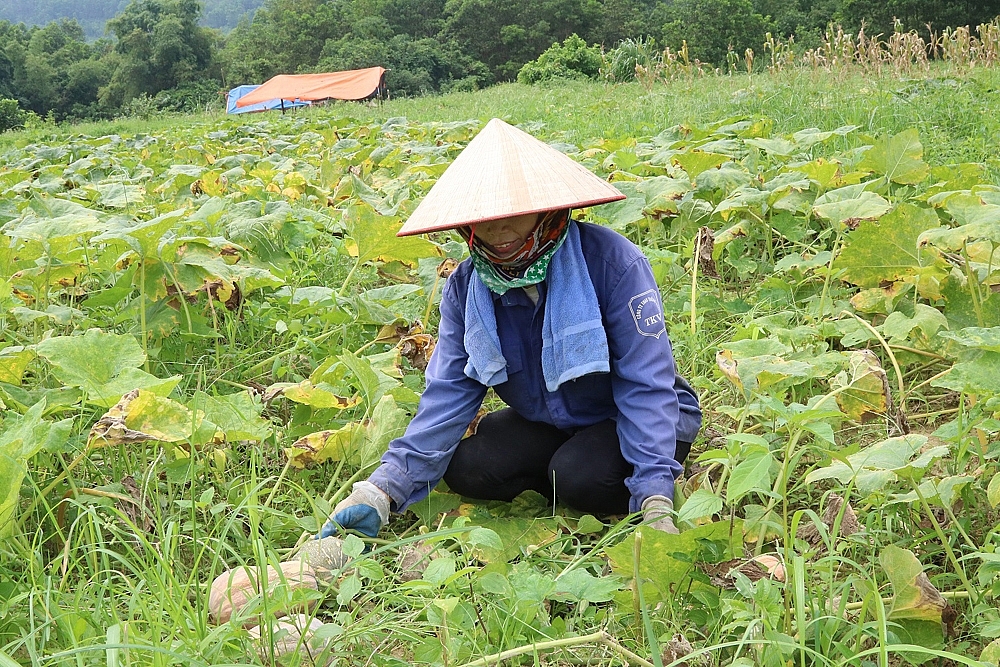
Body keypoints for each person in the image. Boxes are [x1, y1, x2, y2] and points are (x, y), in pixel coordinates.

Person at [320, 118, 701, 539]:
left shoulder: (613, 264)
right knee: (468, 468)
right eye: (480, 218)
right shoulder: (468, 287)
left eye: (513, 214)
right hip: (552, 422)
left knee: (580, 478)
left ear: (547, 208)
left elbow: (645, 383)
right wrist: (381, 490)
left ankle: (612, 472)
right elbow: (447, 392)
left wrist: (654, 495)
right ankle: (568, 466)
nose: (496, 231)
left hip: (632, 415)